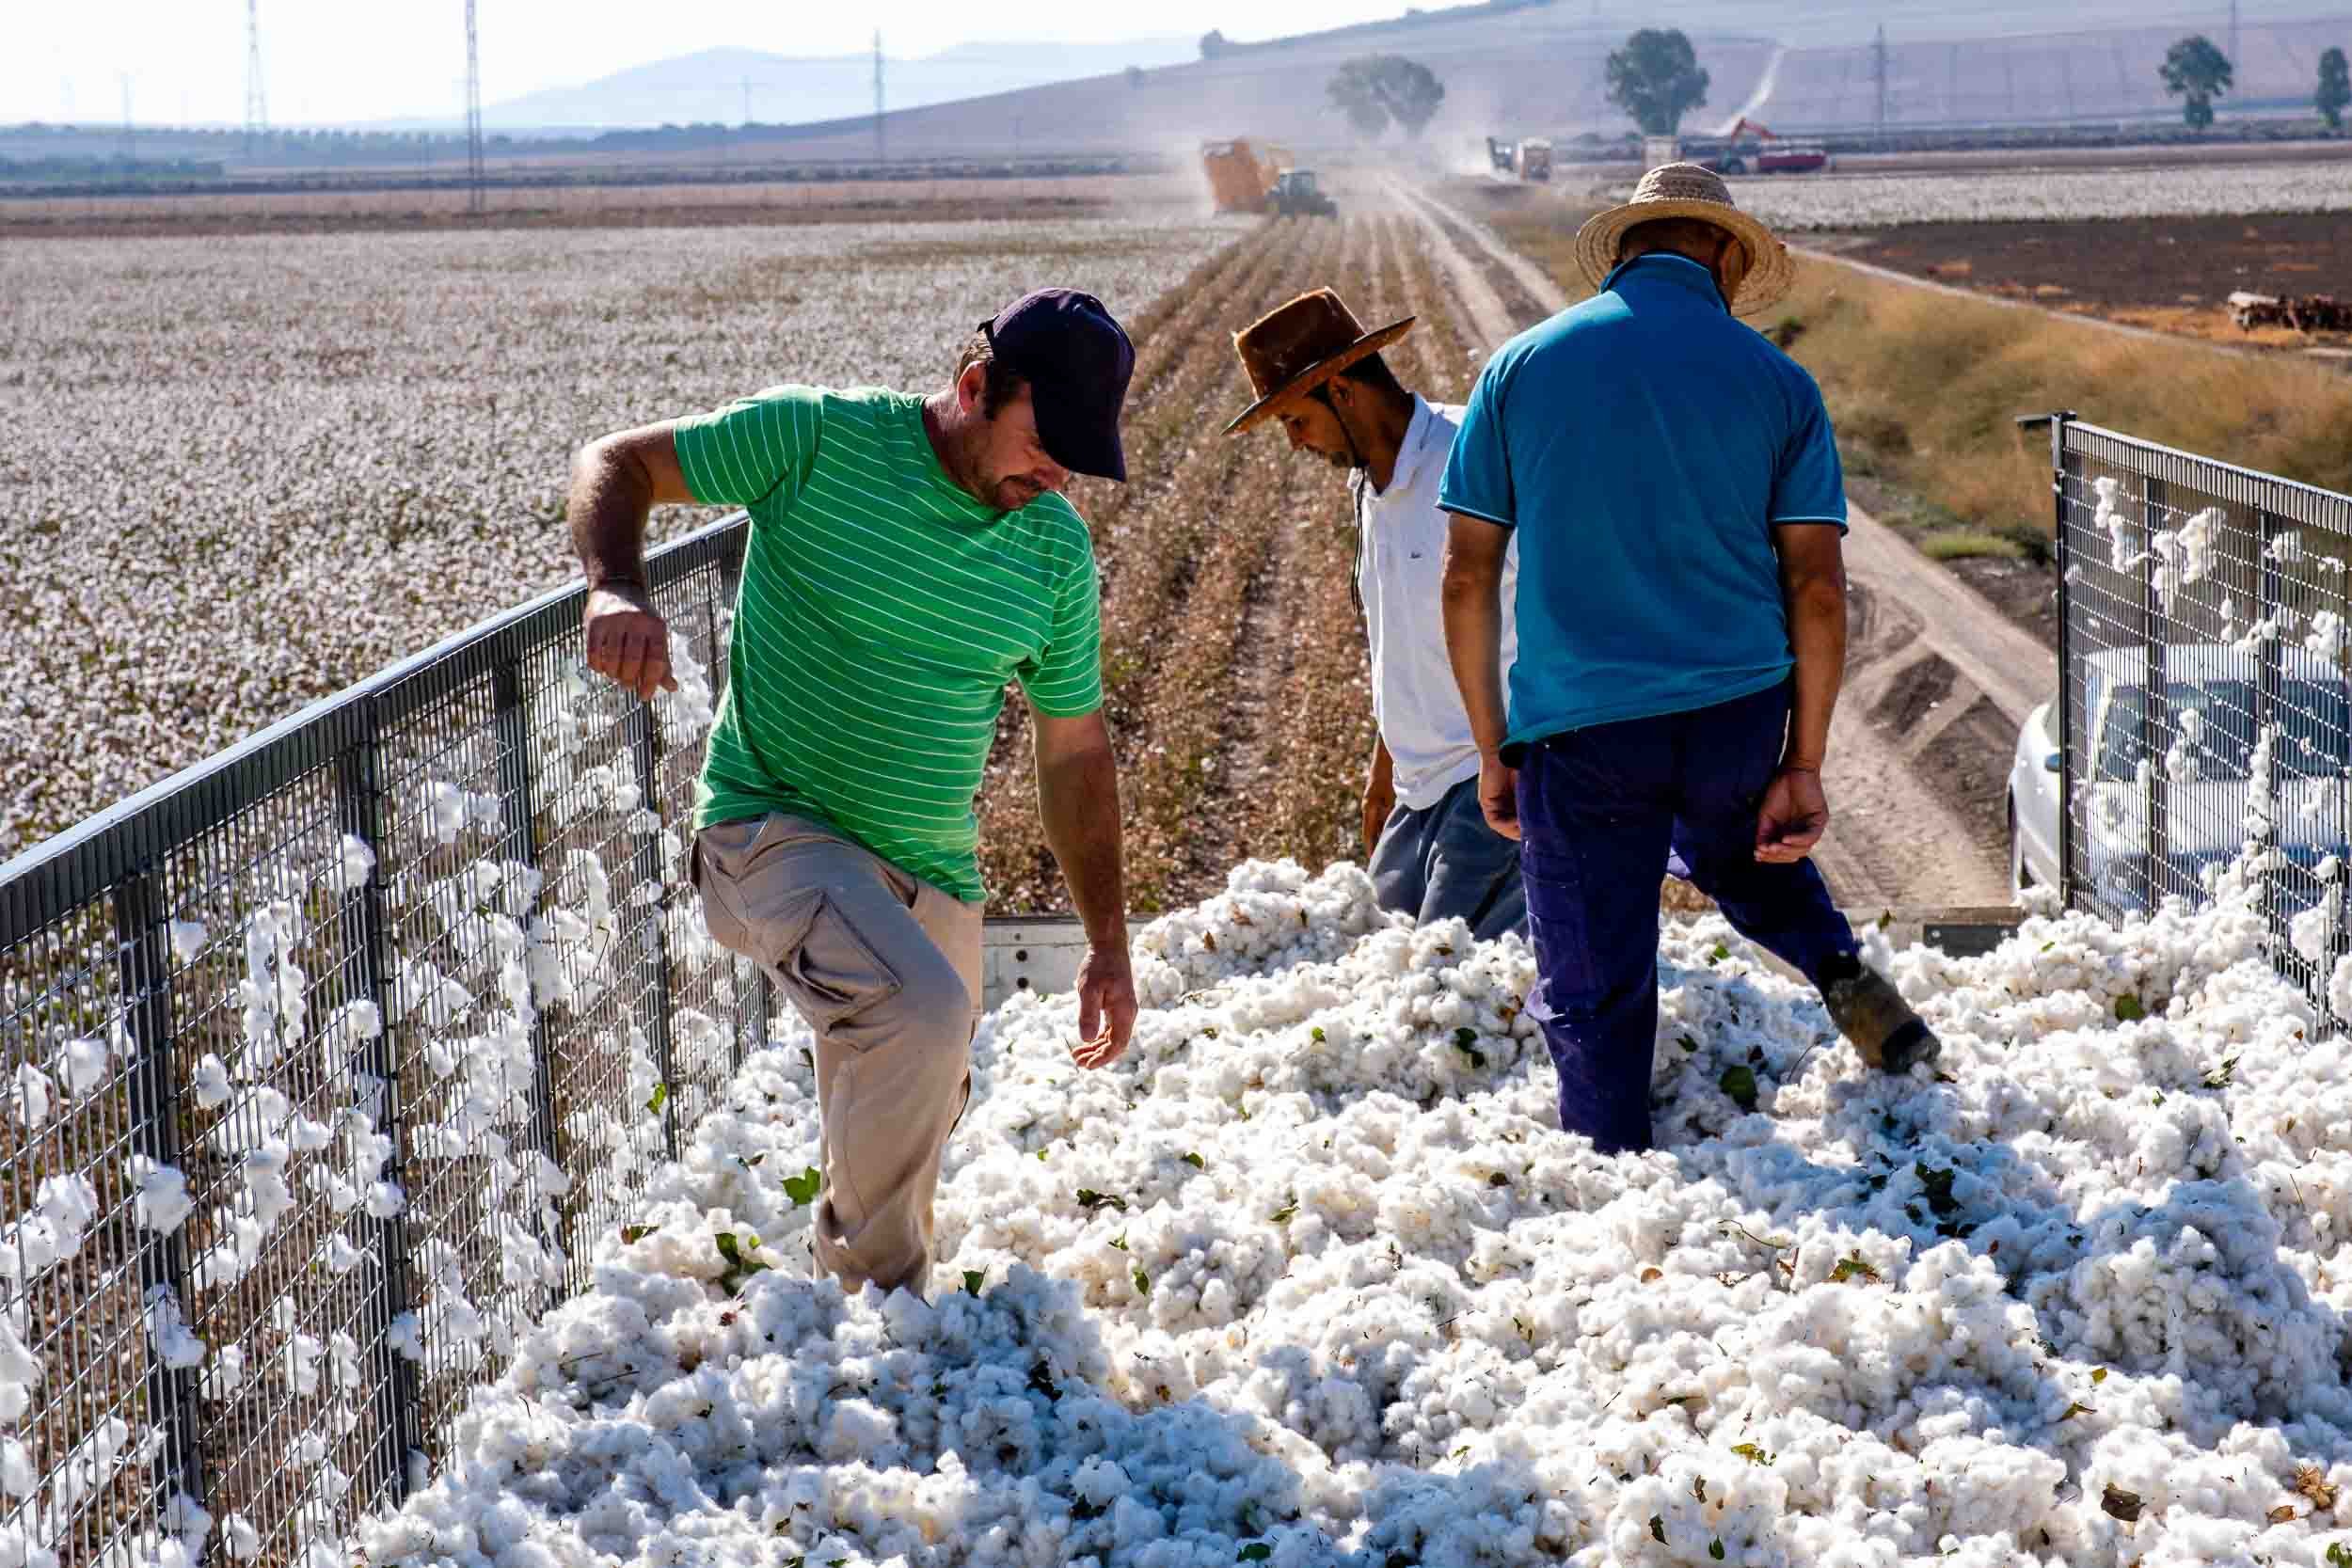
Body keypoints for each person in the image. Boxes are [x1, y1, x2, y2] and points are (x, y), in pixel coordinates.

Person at [566, 288, 1141, 1296]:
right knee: (915, 1017)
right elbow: (616, 461)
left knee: (926, 1083)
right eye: (1042, 445)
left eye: (1075, 462)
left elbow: (1074, 756)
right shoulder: (818, 438)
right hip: (771, 830)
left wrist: (1107, 942)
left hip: (928, 864)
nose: (1054, 476)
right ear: (974, 387)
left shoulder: (1052, 550)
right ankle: (876, 1322)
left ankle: (857, 1305)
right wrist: (616, 584)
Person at [1437, 165, 1942, 1155]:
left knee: (1594, 972)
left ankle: (1614, 1166)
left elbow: (1464, 577)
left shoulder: (1518, 369)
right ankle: (1847, 979)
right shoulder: (1778, 383)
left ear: (1625, 249)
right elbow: (1819, 588)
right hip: (1735, 708)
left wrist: (1493, 748)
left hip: (1581, 725)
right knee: (1744, 857)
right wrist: (1801, 761)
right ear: (1721, 252)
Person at [1224, 289, 1526, 942]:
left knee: (1447, 994)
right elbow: (1400, 642)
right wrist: (1381, 774)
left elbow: (1564, 605)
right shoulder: (1368, 489)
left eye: (1295, 420)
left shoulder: (1470, 457)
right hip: (1416, 796)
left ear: (1341, 390)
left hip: (1492, 785)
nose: (1296, 443)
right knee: (1379, 976)